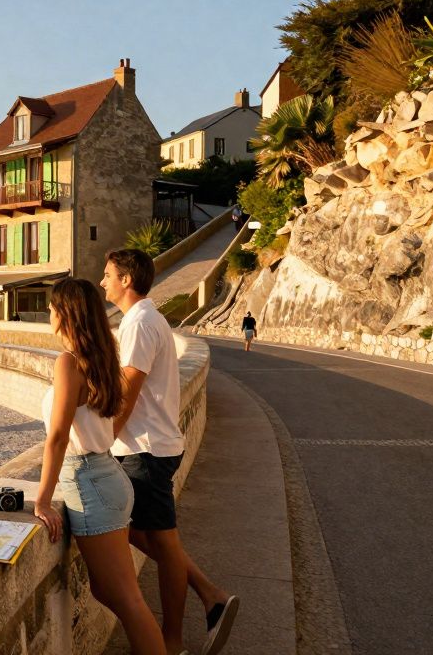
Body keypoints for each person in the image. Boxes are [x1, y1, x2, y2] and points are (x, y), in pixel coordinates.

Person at [102, 249, 239, 655]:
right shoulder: (144, 320)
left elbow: (129, 390)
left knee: (162, 545)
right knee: (138, 534)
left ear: (127, 280)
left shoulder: (140, 323)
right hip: (149, 446)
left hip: (145, 449)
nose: (102, 280)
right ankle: (210, 596)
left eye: (108, 274)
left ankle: (172, 641)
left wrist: (104, 438)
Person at [32, 277, 166, 655]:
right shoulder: (103, 356)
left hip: (91, 482)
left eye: (53, 306)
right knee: (107, 590)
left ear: (67, 313)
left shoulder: (68, 362)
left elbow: (58, 437)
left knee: (128, 601)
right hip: (106, 476)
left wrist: (42, 500)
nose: (49, 312)